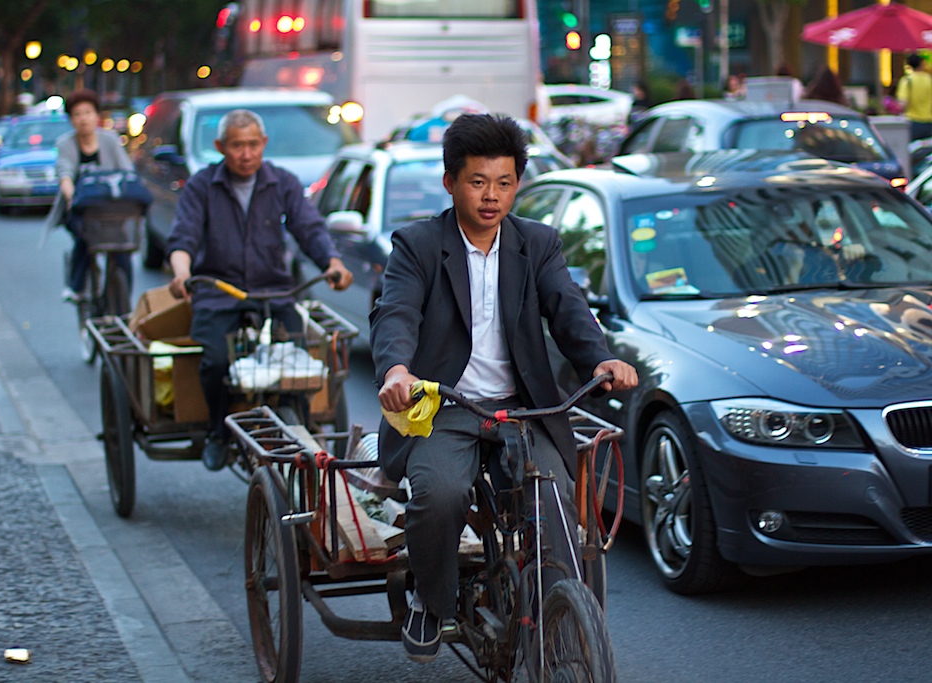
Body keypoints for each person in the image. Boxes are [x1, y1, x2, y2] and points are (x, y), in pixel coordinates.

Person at [371, 113, 638, 663]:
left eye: (504, 183)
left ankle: (563, 611)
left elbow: (569, 310)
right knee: (440, 495)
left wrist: (604, 358)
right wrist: (396, 371)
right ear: (450, 183)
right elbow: (394, 314)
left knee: (558, 500)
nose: (491, 196)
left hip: (523, 408)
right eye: (477, 182)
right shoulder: (418, 245)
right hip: (445, 406)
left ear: (518, 183)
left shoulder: (537, 244)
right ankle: (431, 596)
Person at [166, 109, 353, 471]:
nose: (246, 153)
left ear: (264, 144)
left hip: (274, 290)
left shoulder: (282, 182)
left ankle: (301, 428)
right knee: (216, 361)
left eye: (253, 145)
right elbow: (183, 237)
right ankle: (218, 432)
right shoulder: (203, 185)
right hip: (219, 291)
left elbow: (309, 228)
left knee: (300, 357)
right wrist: (181, 273)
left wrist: (332, 263)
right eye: (237, 145)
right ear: (221, 147)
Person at [55, 89, 134, 301]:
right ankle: (77, 285)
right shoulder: (65, 144)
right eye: (77, 114)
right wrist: (72, 197)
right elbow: (65, 174)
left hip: (111, 208)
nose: (83, 119)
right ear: (71, 119)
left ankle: (124, 301)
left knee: (122, 247)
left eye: (88, 112)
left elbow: (127, 171)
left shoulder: (110, 140)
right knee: (85, 236)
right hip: (81, 208)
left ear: (97, 115)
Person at [896, 54, 932, 140]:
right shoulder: (929, 80)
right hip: (929, 122)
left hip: (912, 122)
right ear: (921, 63)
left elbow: (902, 104)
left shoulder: (907, 81)